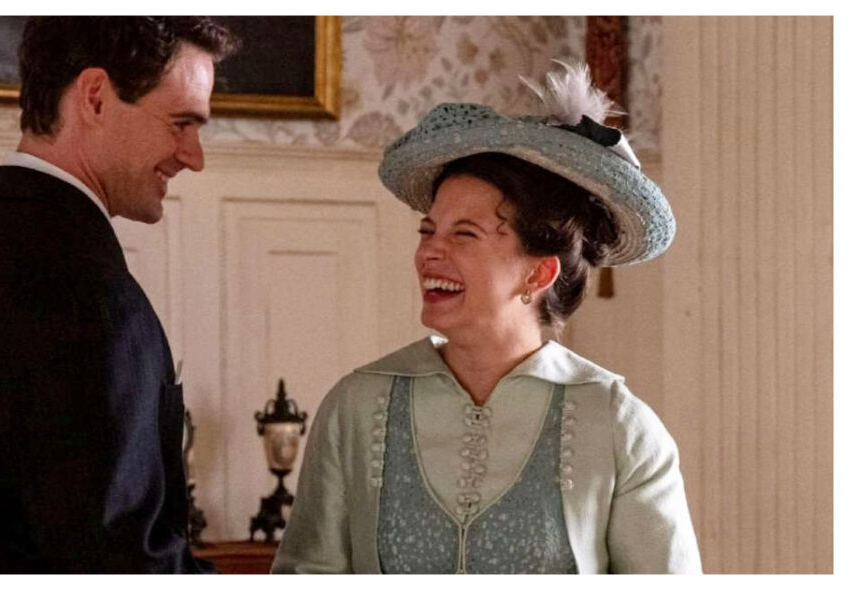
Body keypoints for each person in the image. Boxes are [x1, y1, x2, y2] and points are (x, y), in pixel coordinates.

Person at [272, 61, 702, 574]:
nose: (429, 253)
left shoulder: (619, 426)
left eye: (464, 234)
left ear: (538, 273)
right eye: (428, 231)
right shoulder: (356, 406)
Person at [0, 17, 237, 573]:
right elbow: (123, 567)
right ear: (95, 97)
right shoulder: (88, 295)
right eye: (181, 122)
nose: (193, 155)